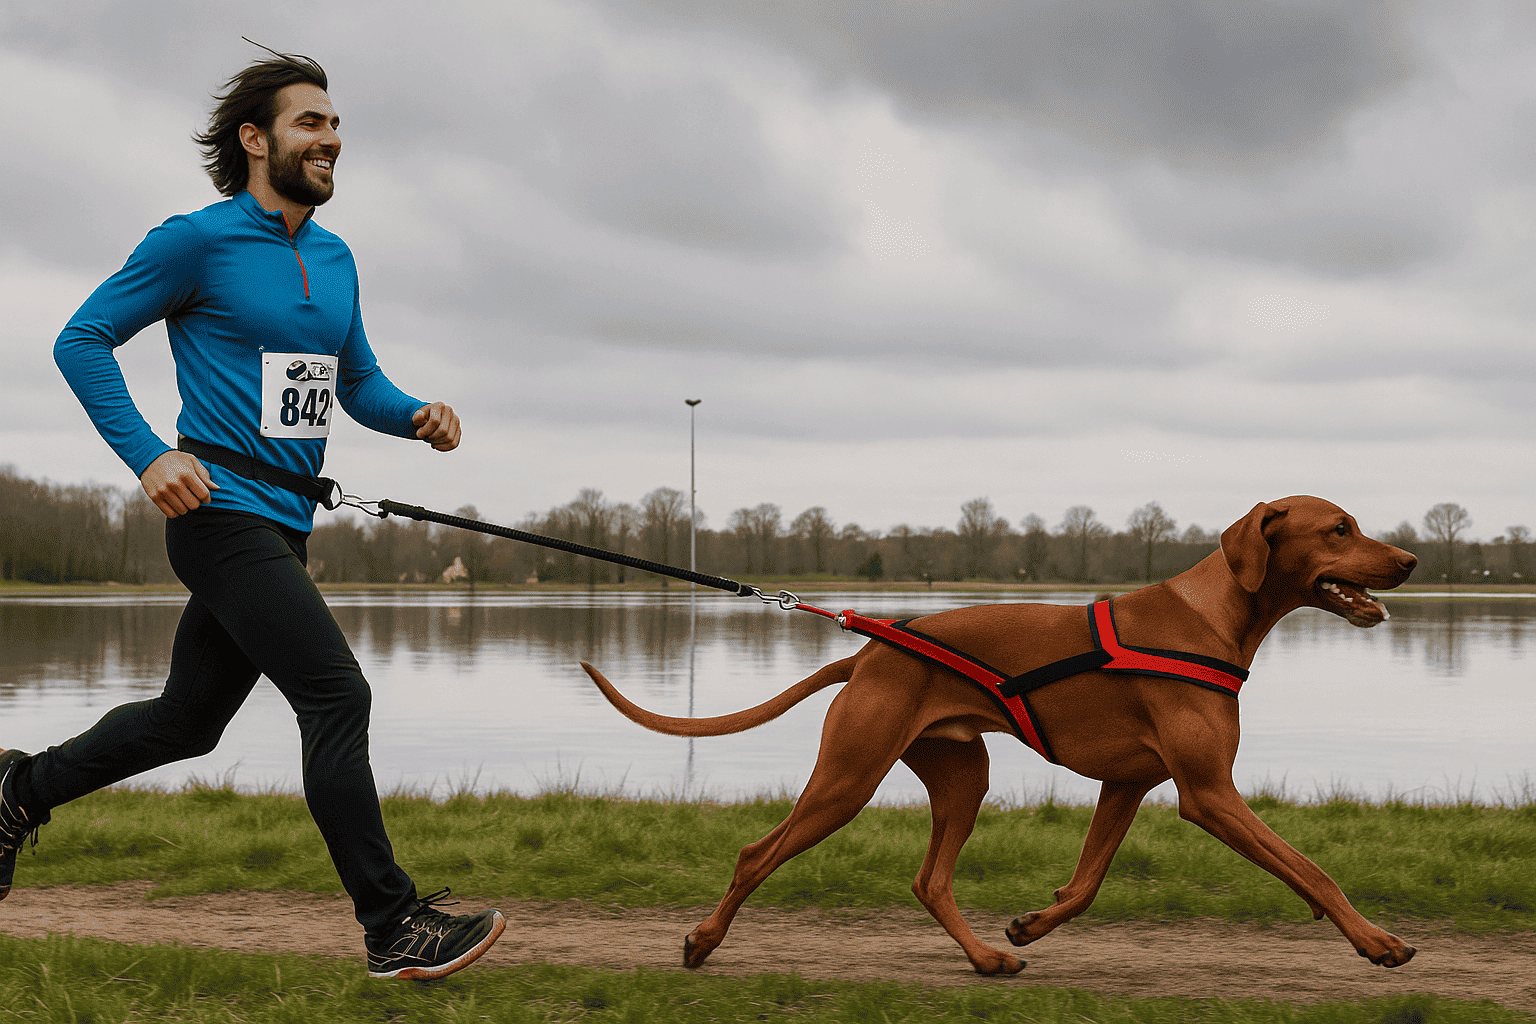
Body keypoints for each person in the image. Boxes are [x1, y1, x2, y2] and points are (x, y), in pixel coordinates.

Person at [0, 47, 505, 981]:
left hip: (285, 524)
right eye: (310, 121)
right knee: (337, 694)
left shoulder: (335, 257)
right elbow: (82, 340)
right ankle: (392, 925)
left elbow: (355, 381)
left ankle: (16, 792)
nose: (331, 137)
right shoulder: (194, 242)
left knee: (186, 722)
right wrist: (150, 455)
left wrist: (415, 416)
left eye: (336, 123)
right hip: (218, 516)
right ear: (255, 139)